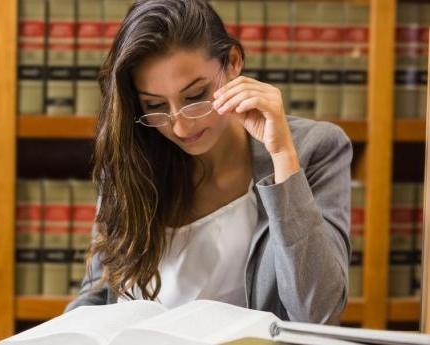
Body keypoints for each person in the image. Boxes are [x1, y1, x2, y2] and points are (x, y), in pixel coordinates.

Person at [65, 0, 352, 325]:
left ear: (233, 61)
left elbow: (319, 311)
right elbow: (97, 294)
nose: (180, 126)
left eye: (196, 96)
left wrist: (283, 157)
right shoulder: (132, 159)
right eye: (155, 104)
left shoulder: (316, 149)